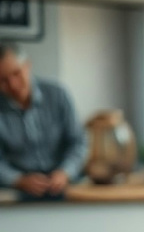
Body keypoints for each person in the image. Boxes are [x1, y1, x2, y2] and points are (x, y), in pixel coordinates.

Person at [0, 42, 86, 200]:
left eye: (16, 73)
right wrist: (18, 180)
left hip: (67, 185)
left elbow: (78, 142)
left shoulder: (58, 94)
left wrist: (65, 172)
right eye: (3, 80)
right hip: (17, 191)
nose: (12, 85)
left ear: (27, 66)